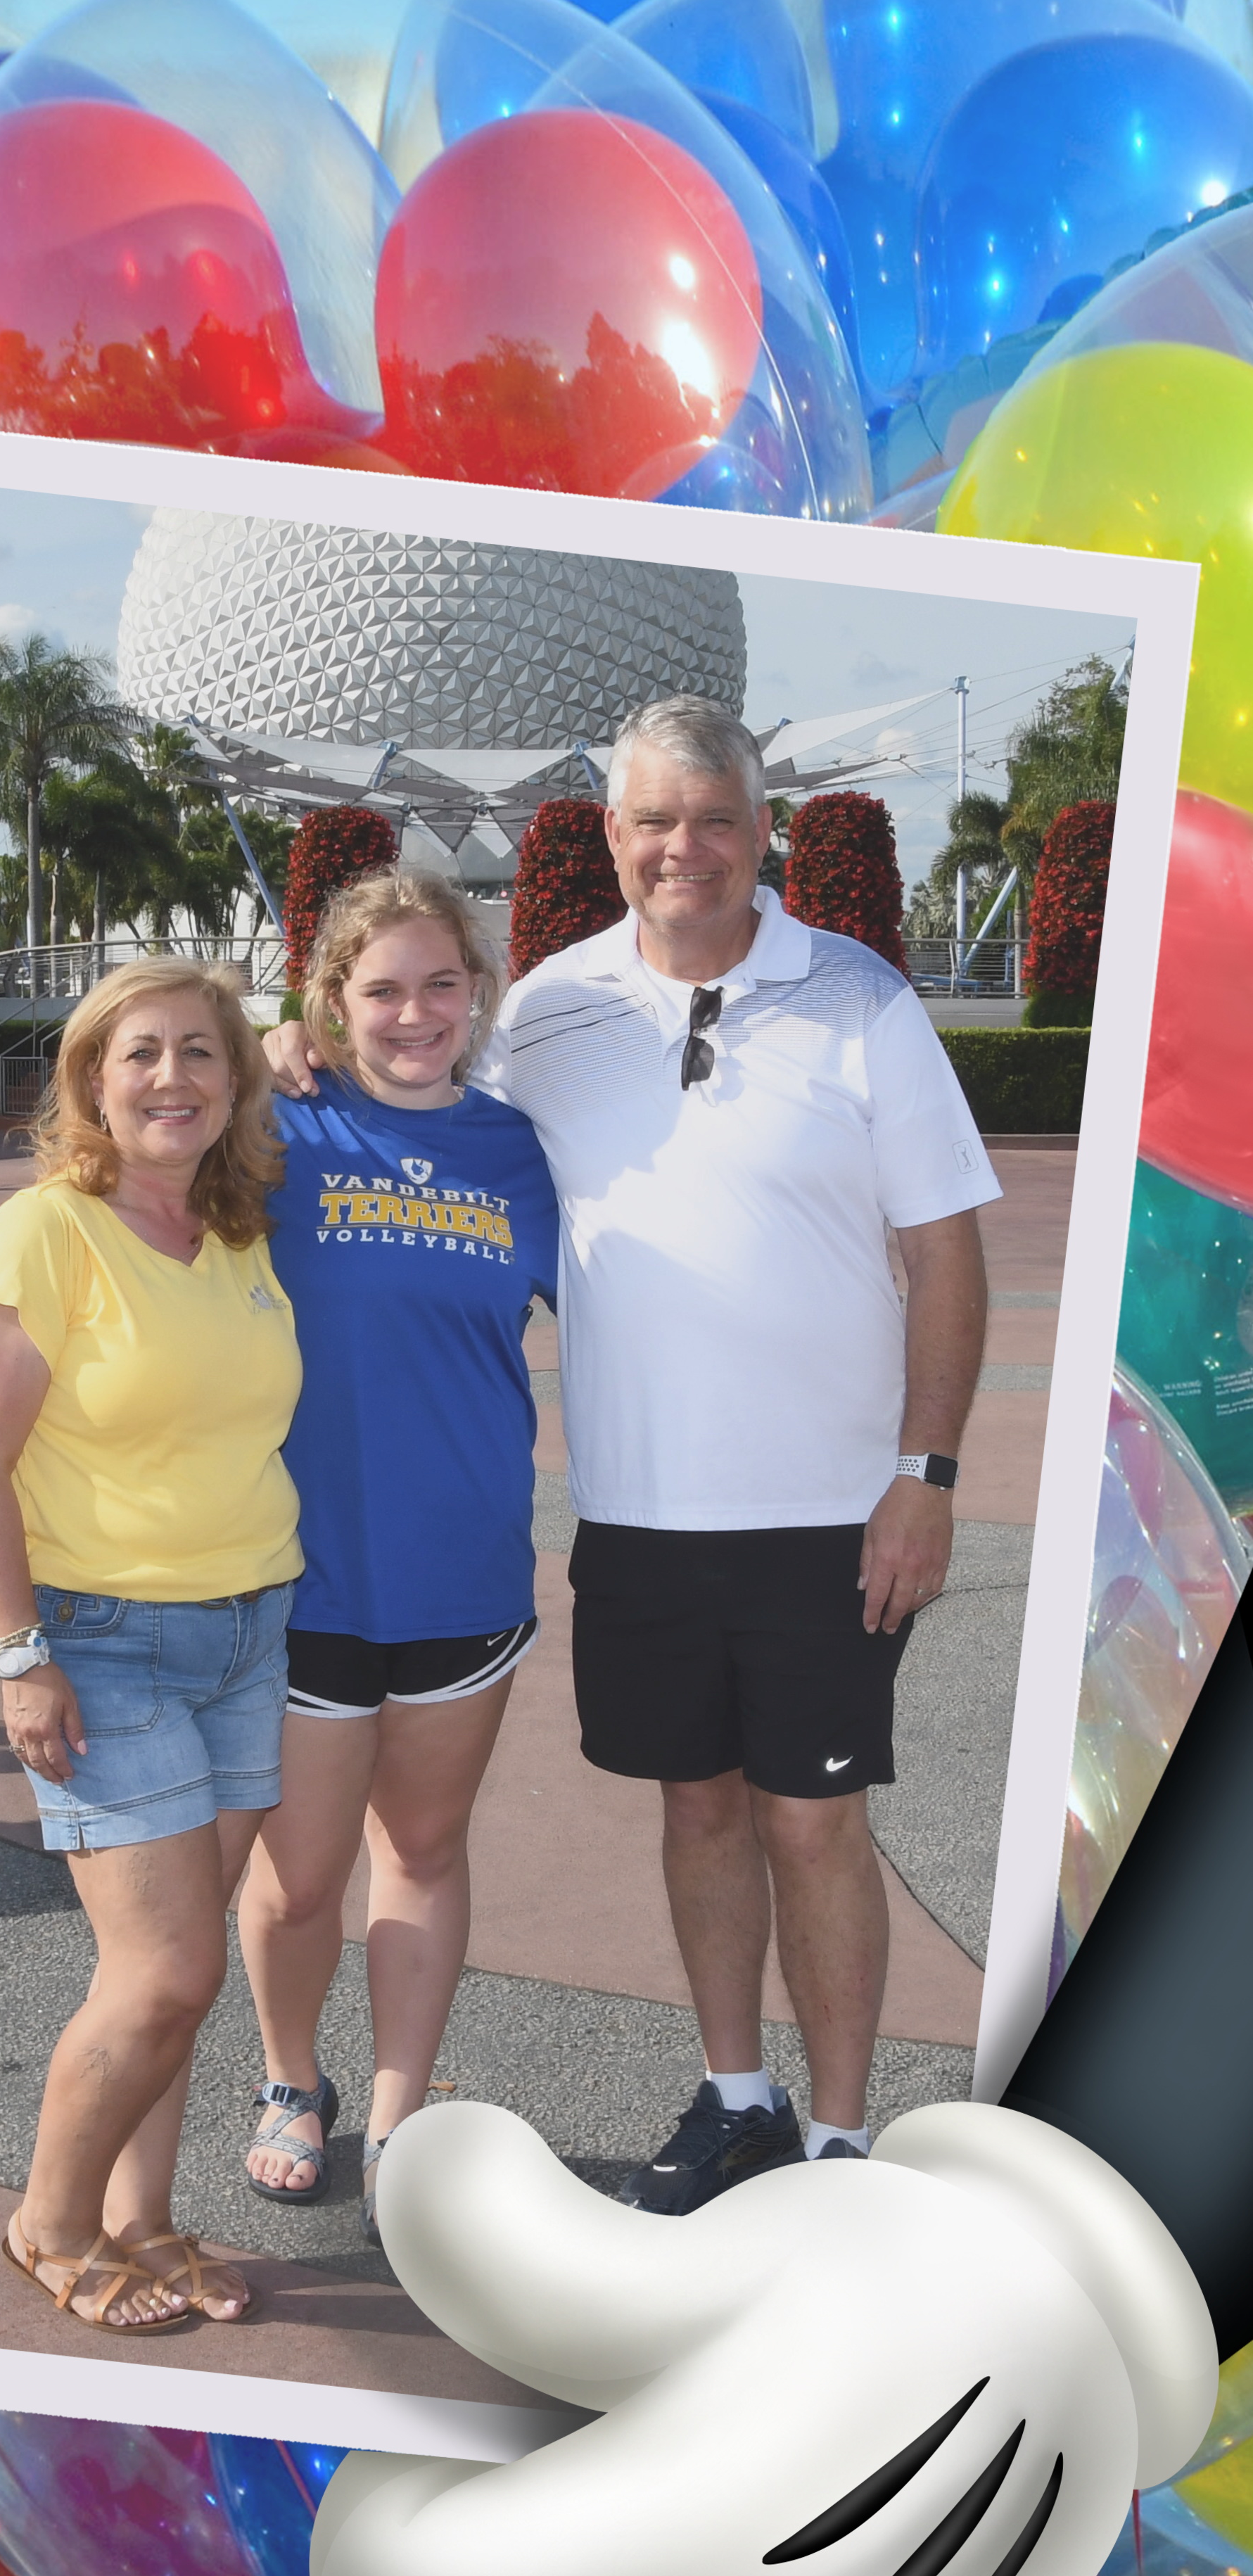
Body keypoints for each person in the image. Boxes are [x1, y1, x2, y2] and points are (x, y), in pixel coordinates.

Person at [265, 697, 997, 2212]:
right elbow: (423, 1126)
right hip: (638, 1513)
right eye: (650, 821)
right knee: (701, 1806)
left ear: (757, 830)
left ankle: (844, 2137)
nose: (682, 848)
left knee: (814, 1818)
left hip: (827, 1510)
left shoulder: (860, 998)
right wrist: (284, 1044)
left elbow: (944, 1252)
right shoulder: (542, 1010)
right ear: (609, 839)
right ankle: (739, 2093)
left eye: (711, 818)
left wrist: (924, 1472)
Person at [0, 877, 558, 2247]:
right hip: (295, 1588)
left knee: (431, 1847)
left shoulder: (520, 1151)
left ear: (477, 994)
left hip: (467, 1575)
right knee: (297, 1876)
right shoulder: (280, 1139)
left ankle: (400, 2114)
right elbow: (118, 1188)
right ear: (329, 1004)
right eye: (380, 988)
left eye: (440, 984)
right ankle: (293, 2082)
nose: (414, 1013)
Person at [0, 958, 301, 2330]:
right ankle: (49, 2218)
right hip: (104, 1641)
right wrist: (17, 1655)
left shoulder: (238, 1230)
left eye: (200, 1052)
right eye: (138, 1053)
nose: (171, 1078)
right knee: (164, 1969)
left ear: (233, 1080)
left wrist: (297, 1032)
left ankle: (142, 2220)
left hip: (248, 1627)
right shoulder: (45, 1229)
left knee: (181, 1960)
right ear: (93, 1080)